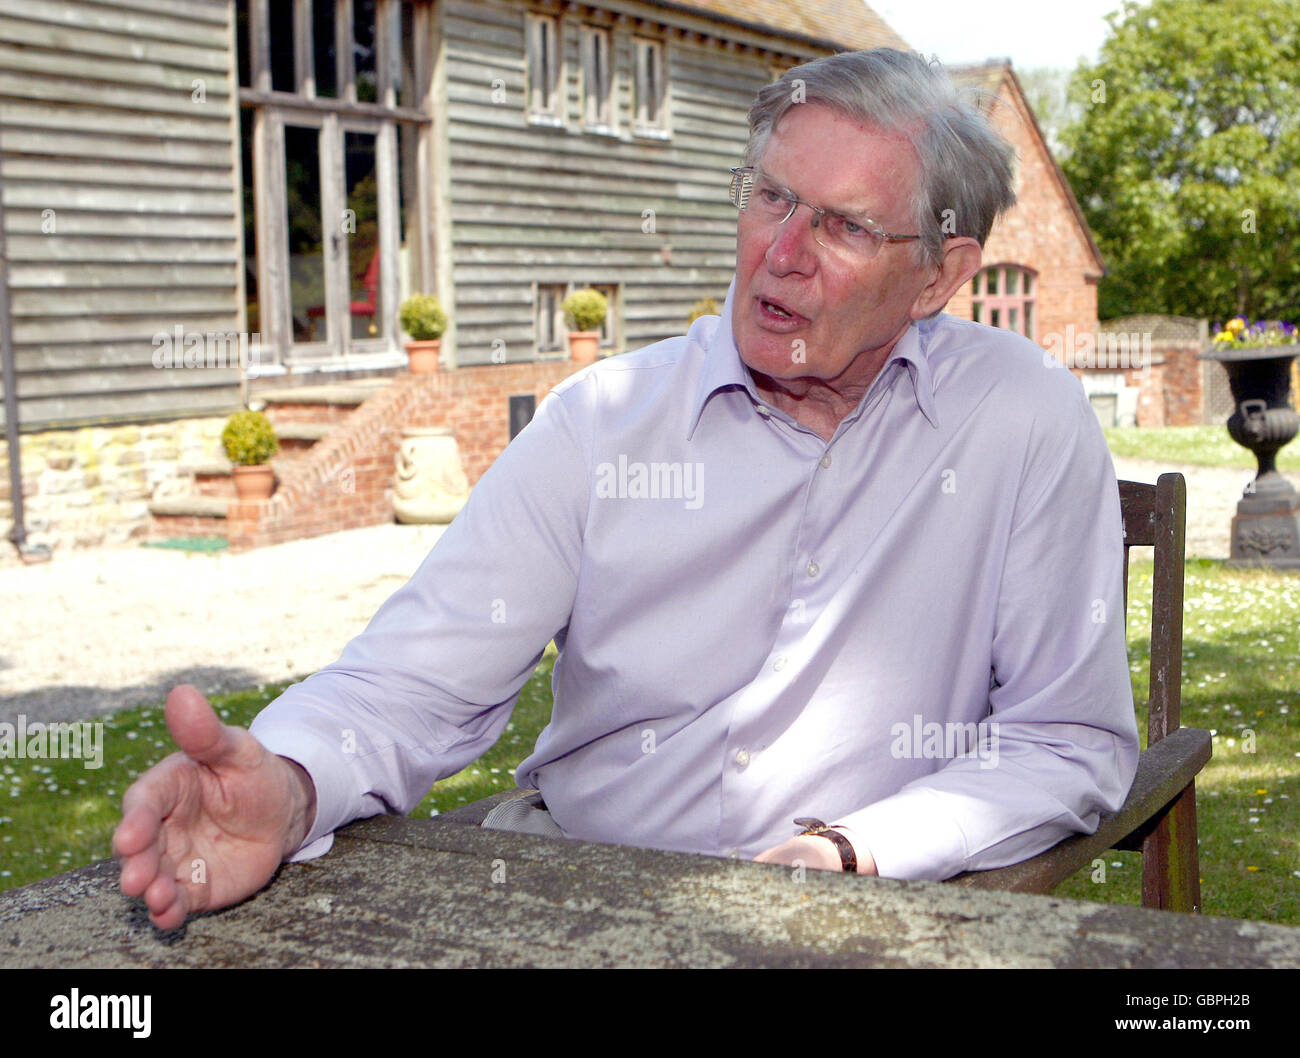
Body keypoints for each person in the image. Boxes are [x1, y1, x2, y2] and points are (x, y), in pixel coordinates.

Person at [115, 48, 1138, 931]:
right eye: (770, 196)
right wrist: (289, 787)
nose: (777, 254)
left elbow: (1065, 737)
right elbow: (415, 680)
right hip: (577, 890)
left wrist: (856, 848)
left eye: (841, 226)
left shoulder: (1022, 418)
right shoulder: (603, 420)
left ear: (937, 275)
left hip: (847, 916)